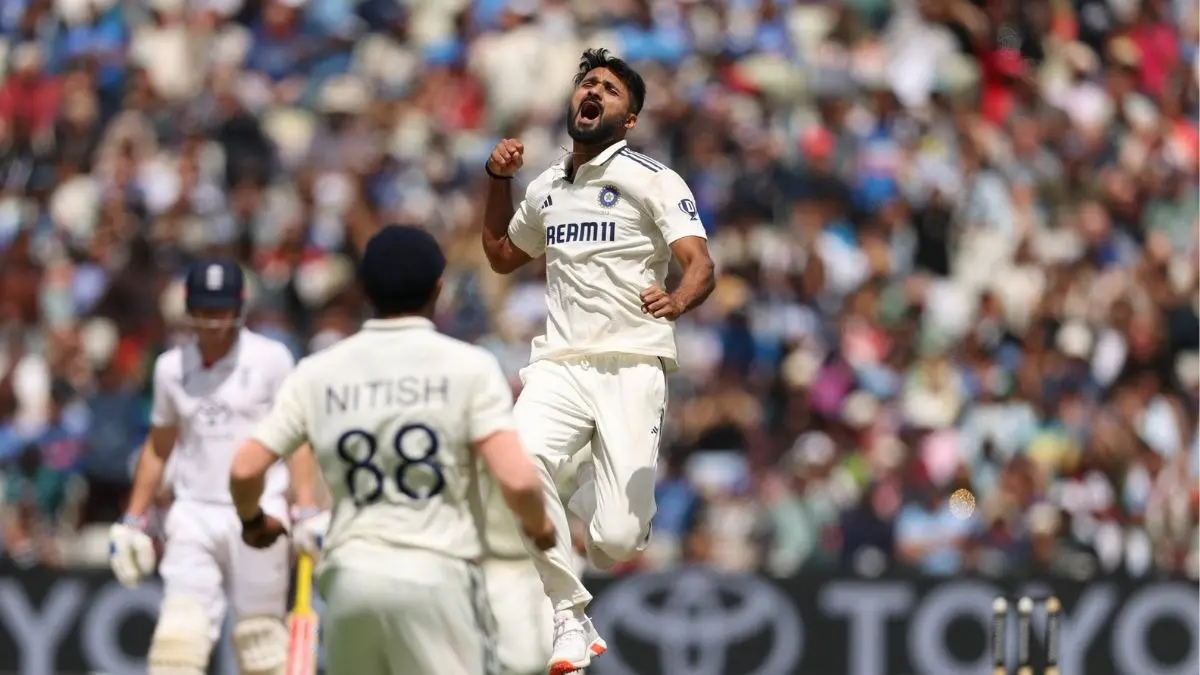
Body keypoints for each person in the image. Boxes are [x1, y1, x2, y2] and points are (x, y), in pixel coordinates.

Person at [228, 225, 557, 675]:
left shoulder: (317, 371)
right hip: (436, 575)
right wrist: (540, 528)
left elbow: (246, 468)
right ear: (438, 290)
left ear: (363, 291)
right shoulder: (469, 366)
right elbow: (517, 479)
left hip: (350, 580)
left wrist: (253, 521)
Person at [480, 47, 716, 673]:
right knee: (517, 469)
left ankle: (589, 476)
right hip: (559, 362)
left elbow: (700, 265)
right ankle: (569, 614)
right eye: (588, 83)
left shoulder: (651, 177)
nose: (594, 92)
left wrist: (678, 299)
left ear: (629, 118)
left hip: (632, 362)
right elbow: (504, 255)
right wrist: (496, 182)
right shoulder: (546, 187)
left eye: (610, 89)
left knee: (614, 542)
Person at [107, 258, 324, 675]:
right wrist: (133, 518)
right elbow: (159, 448)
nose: (213, 322)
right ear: (188, 308)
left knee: (260, 641)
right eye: (204, 310)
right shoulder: (171, 367)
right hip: (193, 512)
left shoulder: (271, 358)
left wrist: (307, 507)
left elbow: (297, 438)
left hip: (261, 512)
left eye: (221, 310)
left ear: (240, 307)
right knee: (177, 642)